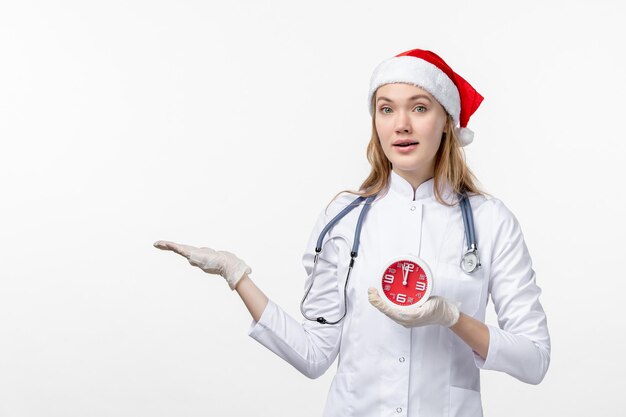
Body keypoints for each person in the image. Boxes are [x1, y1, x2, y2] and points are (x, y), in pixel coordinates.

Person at [153, 48, 551, 417]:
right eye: (386, 109)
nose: (402, 125)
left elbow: (534, 360)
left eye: (419, 107)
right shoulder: (343, 218)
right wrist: (236, 274)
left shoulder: (490, 221)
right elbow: (313, 354)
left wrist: (451, 317)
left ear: (446, 121)